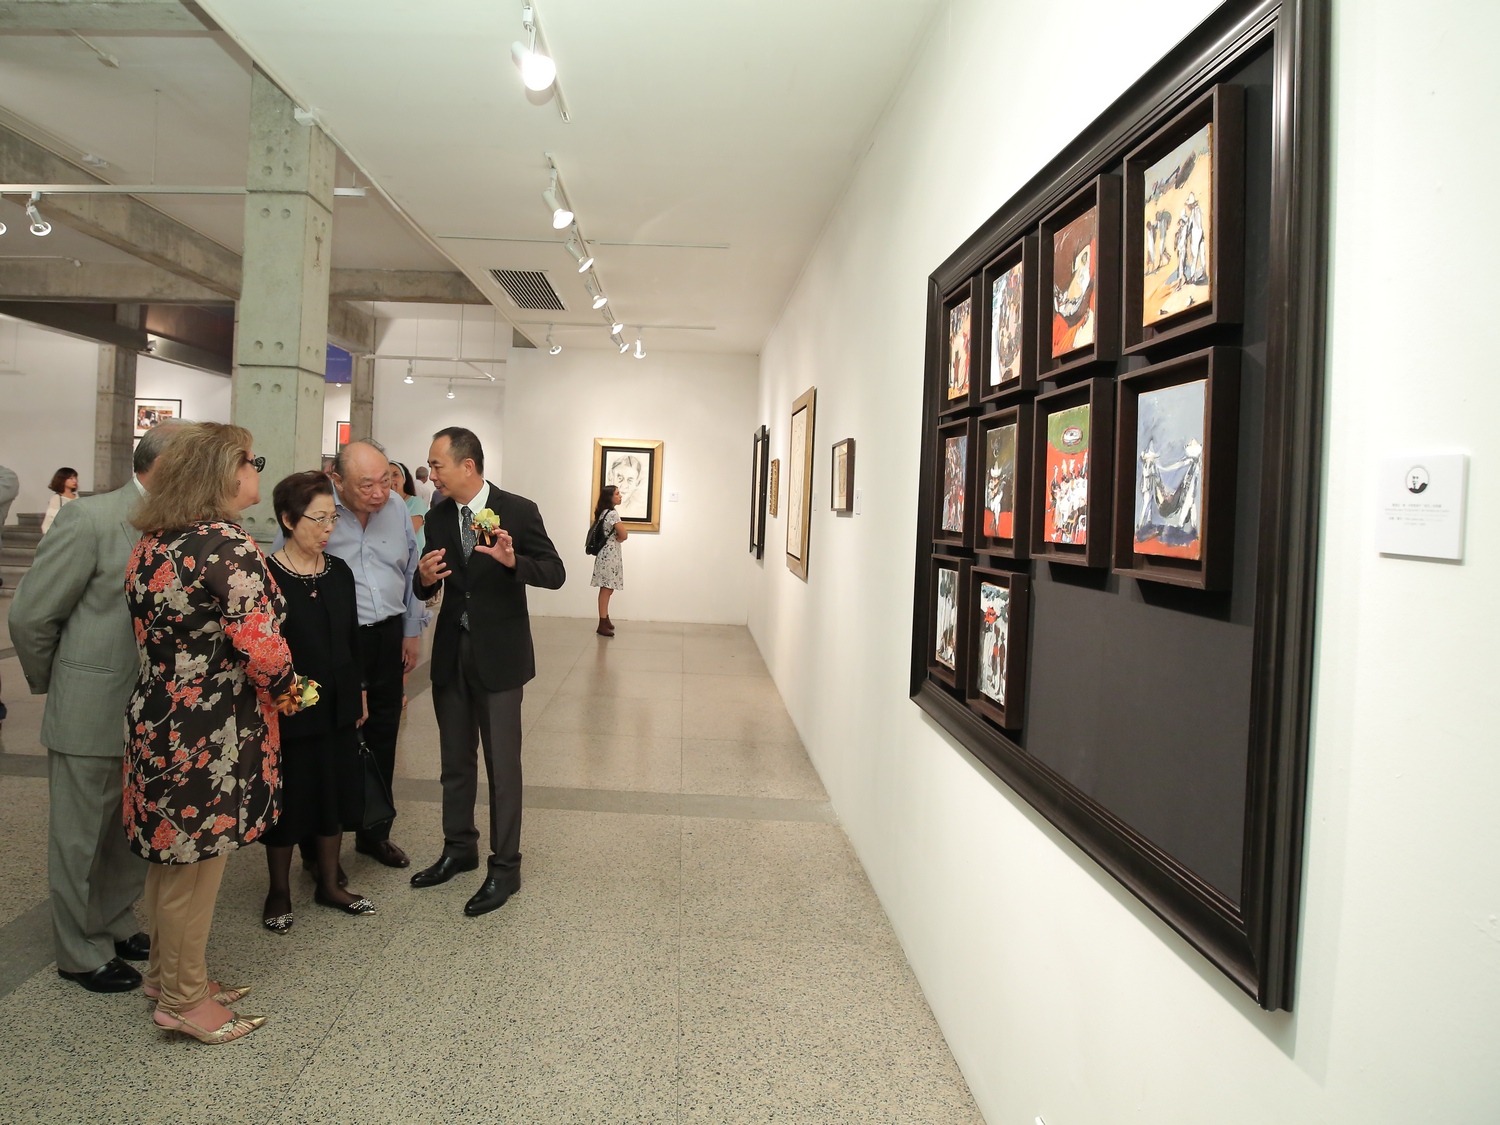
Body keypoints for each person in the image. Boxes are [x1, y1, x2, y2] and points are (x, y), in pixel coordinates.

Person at [125, 422, 305, 1044]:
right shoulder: (226, 545)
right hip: (210, 730)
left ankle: (168, 976)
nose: (257, 468)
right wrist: (289, 690)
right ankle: (183, 1001)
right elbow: (263, 646)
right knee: (198, 866)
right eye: (251, 460)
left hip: (159, 718)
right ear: (223, 473)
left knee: (172, 862)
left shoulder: (155, 541)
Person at [7, 428, 179, 994]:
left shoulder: (181, 526)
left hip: (152, 711)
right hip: (90, 705)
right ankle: (78, 951)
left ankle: (113, 921)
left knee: (128, 833)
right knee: (79, 838)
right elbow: (32, 616)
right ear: (165, 464)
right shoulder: (91, 519)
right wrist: (60, 682)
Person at [411, 426, 564, 915]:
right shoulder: (437, 516)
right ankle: (459, 848)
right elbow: (428, 583)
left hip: (499, 656)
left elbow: (555, 572)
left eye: (437, 465)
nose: (431, 474)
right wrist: (422, 580)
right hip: (451, 654)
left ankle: (506, 867)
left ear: (468, 466)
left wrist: (514, 561)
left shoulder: (518, 510)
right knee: (455, 761)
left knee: (502, 766)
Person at [275, 440, 422, 870]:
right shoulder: (314, 508)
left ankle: (375, 832)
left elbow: (411, 568)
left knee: (384, 733)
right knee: (327, 742)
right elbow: (281, 568)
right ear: (337, 479)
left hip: (387, 635)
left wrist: (411, 629)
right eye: (366, 484)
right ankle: (317, 848)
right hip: (329, 645)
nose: (379, 493)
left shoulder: (396, 507)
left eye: (386, 481)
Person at [261, 471, 374, 933]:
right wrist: (280, 693)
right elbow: (261, 648)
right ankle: (279, 891)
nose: (328, 529)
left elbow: (351, 638)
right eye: (318, 519)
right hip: (289, 705)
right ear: (289, 520)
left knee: (334, 790)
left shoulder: (338, 572)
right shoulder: (267, 576)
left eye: (332, 518)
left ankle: (329, 883)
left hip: (338, 701)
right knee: (290, 797)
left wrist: (360, 690)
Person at [589, 486, 627, 637]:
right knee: (606, 589)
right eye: (617, 494)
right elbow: (624, 534)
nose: (620, 496)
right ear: (609, 497)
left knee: (608, 588)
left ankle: (605, 619)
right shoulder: (612, 514)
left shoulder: (603, 512)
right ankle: (602, 622)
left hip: (606, 554)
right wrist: (620, 538)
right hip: (609, 556)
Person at [390, 460, 428, 553]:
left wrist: (394, 497)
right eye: (386, 476)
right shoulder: (381, 506)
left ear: (404, 479)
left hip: (414, 558)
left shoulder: (417, 503)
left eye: (395, 475)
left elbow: (407, 533)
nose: (391, 479)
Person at [40, 466, 79, 534]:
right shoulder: (57, 498)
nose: (74, 481)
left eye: (75, 478)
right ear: (62, 480)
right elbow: (49, 520)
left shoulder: (77, 497)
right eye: (71, 478)